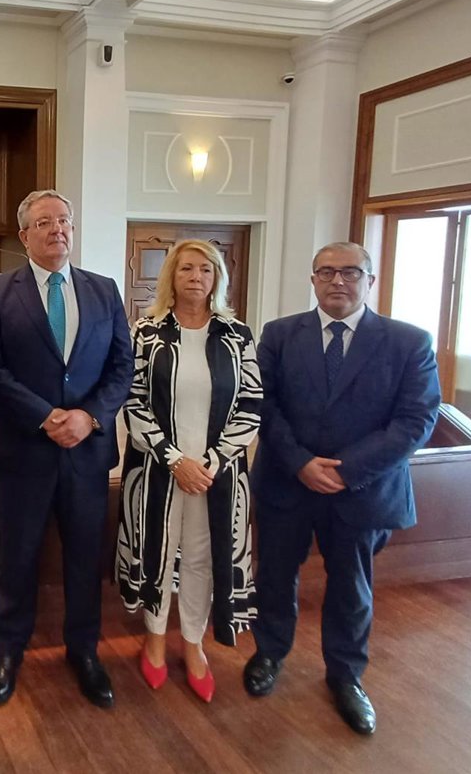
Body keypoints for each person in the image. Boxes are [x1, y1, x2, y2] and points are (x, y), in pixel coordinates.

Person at [243, 241, 440, 734]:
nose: (337, 281)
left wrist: (345, 471)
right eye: (326, 272)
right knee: (274, 576)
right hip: (287, 482)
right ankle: (269, 653)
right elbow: (263, 404)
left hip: (362, 489)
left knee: (352, 588)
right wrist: (301, 463)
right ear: (312, 279)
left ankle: (346, 676)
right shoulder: (280, 334)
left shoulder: (408, 342)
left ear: (370, 281)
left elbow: (415, 420)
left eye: (350, 272)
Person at [0, 189, 133, 709]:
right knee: (16, 557)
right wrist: (44, 416)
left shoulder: (104, 290)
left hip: (87, 452)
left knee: (85, 558)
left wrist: (90, 416)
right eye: (44, 222)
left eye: (64, 220)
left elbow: (122, 367)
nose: (57, 229)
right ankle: (8, 651)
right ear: (24, 236)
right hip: (22, 451)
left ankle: (84, 651)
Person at [113, 239, 261, 703]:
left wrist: (211, 462)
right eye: (186, 269)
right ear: (171, 277)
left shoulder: (237, 334)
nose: (196, 277)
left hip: (216, 475)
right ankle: (155, 638)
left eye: (205, 269)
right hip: (158, 469)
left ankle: (193, 643)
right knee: (157, 550)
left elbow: (251, 404)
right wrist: (175, 458)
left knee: (201, 557)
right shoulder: (146, 332)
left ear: (217, 278)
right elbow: (132, 399)